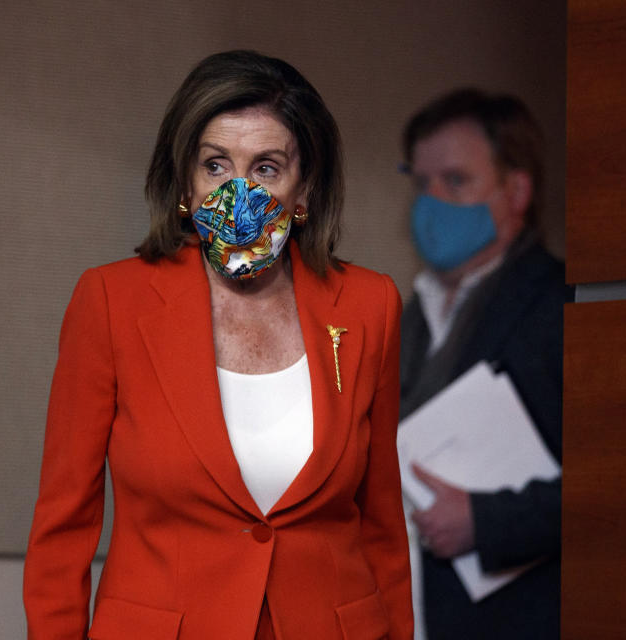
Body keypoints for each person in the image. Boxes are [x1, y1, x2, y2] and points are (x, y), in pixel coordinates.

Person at [23, 50, 413, 640]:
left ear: (303, 185)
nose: (238, 193)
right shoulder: (110, 301)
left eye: (265, 169)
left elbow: (382, 526)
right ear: (185, 181)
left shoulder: (369, 306)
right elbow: (63, 524)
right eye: (215, 166)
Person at [398, 89, 570, 639]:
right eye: (422, 183)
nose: (432, 203)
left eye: (455, 181)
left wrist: (486, 522)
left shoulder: (564, 305)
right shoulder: (411, 312)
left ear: (516, 190)